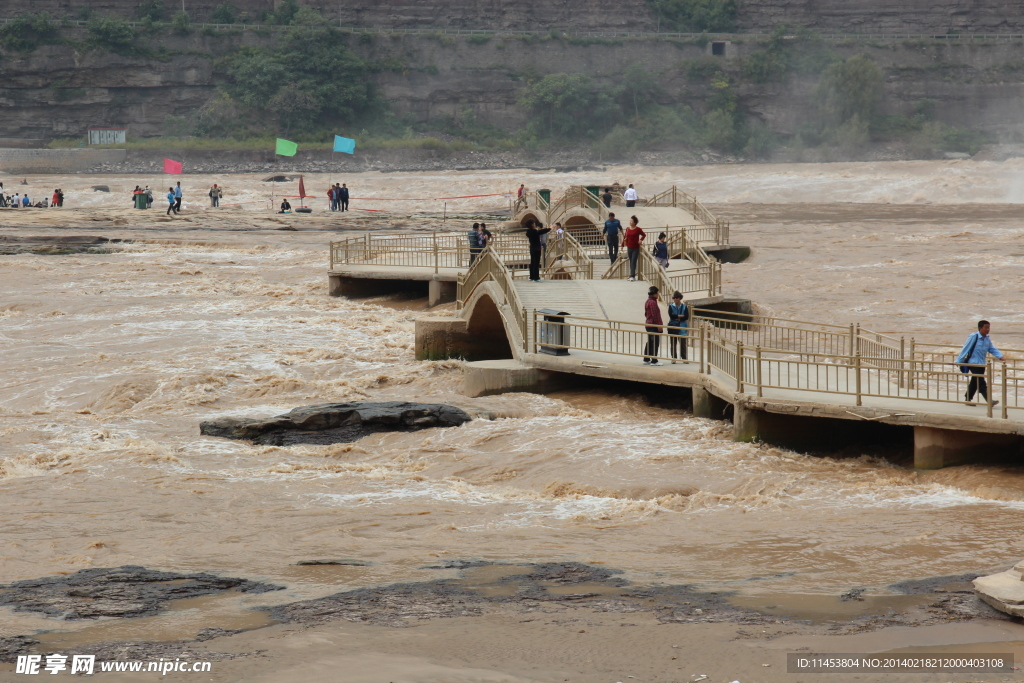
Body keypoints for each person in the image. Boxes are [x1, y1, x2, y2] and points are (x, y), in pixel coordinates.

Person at [958, 320, 1006, 406]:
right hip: (973, 363)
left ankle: (967, 399)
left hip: (982, 364)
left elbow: (991, 348)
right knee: (981, 382)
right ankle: (989, 401)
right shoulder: (974, 336)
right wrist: (959, 361)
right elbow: (966, 348)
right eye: (986, 328)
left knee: (975, 381)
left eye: (989, 327)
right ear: (980, 328)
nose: (988, 329)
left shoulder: (987, 338)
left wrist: (1000, 356)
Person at [643, 286, 664, 366]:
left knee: (650, 342)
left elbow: (646, 314)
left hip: (648, 324)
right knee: (655, 343)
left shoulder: (648, 301)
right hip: (653, 325)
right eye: (657, 293)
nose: (658, 295)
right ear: (654, 294)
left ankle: (646, 359)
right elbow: (655, 315)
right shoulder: (652, 302)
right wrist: (659, 325)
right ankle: (654, 360)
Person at [667, 291, 689, 363]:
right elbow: (671, 315)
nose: (675, 299)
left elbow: (686, 317)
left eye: (676, 298)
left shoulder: (684, 307)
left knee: (683, 343)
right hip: (673, 326)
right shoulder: (671, 306)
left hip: (682, 327)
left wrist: (677, 317)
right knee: (673, 343)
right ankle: (674, 358)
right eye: (674, 298)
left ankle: (684, 358)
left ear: (679, 298)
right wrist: (679, 316)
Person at [623, 215, 646, 281]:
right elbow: (625, 236)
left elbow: (644, 235)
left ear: (634, 222)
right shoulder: (627, 229)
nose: (630, 222)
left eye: (631, 221)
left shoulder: (638, 229)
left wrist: (641, 240)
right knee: (631, 261)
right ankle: (631, 274)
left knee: (633, 261)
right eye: (630, 221)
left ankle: (632, 275)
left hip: (636, 248)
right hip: (629, 247)